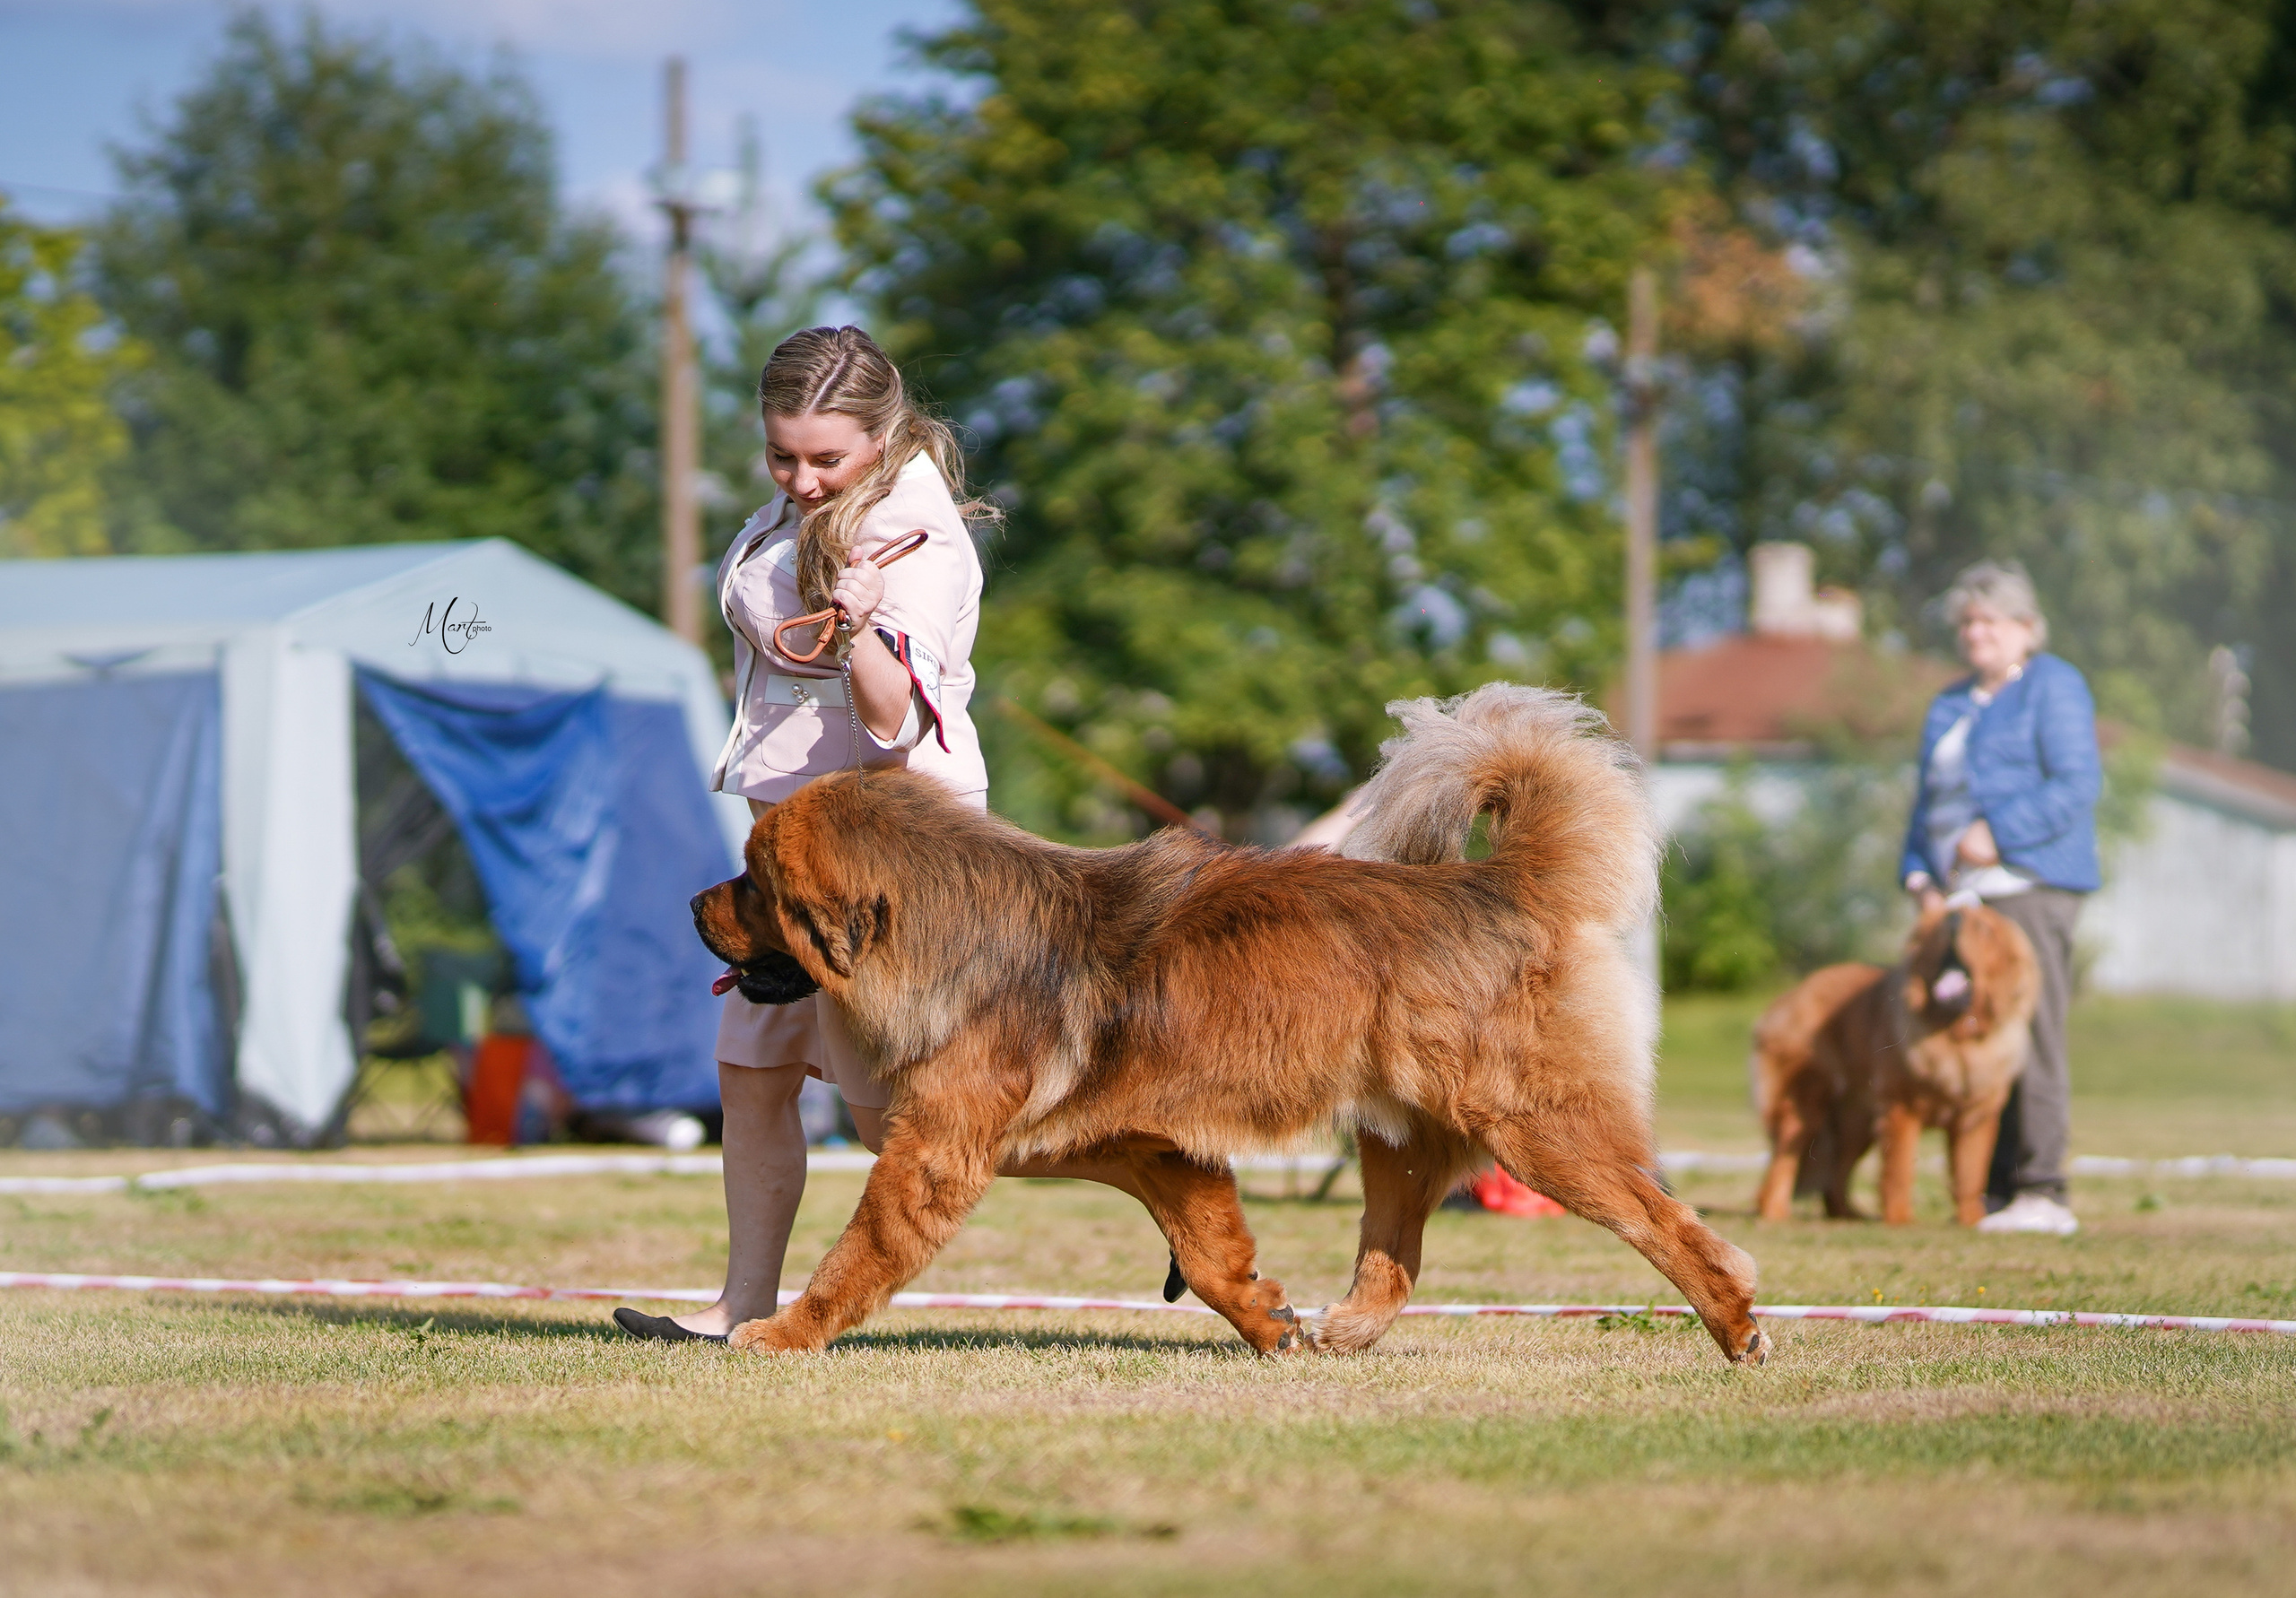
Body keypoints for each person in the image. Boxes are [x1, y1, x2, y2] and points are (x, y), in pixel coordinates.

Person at [614, 326, 1143, 1343]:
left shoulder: (913, 541)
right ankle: (740, 1308)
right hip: (793, 861)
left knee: (892, 1122)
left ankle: (1156, 1158)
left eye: (825, 459)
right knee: (753, 1077)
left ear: (883, 436)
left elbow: (894, 720)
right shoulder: (800, 512)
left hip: (884, 878)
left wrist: (859, 625)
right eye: (783, 455)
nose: (801, 479)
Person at [1900, 560, 2100, 1236]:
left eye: (1988, 619)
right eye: (1966, 621)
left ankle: (2042, 1188)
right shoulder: (1951, 702)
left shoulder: (2054, 685)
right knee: (1972, 1031)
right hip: (1960, 900)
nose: (1974, 632)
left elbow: (2076, 785)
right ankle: (1989, 1191)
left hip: (2031, 886)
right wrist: (1916, 872)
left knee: (2031, 1037)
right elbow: (1927, 802)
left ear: (2025, 627)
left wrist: (1999, 832)